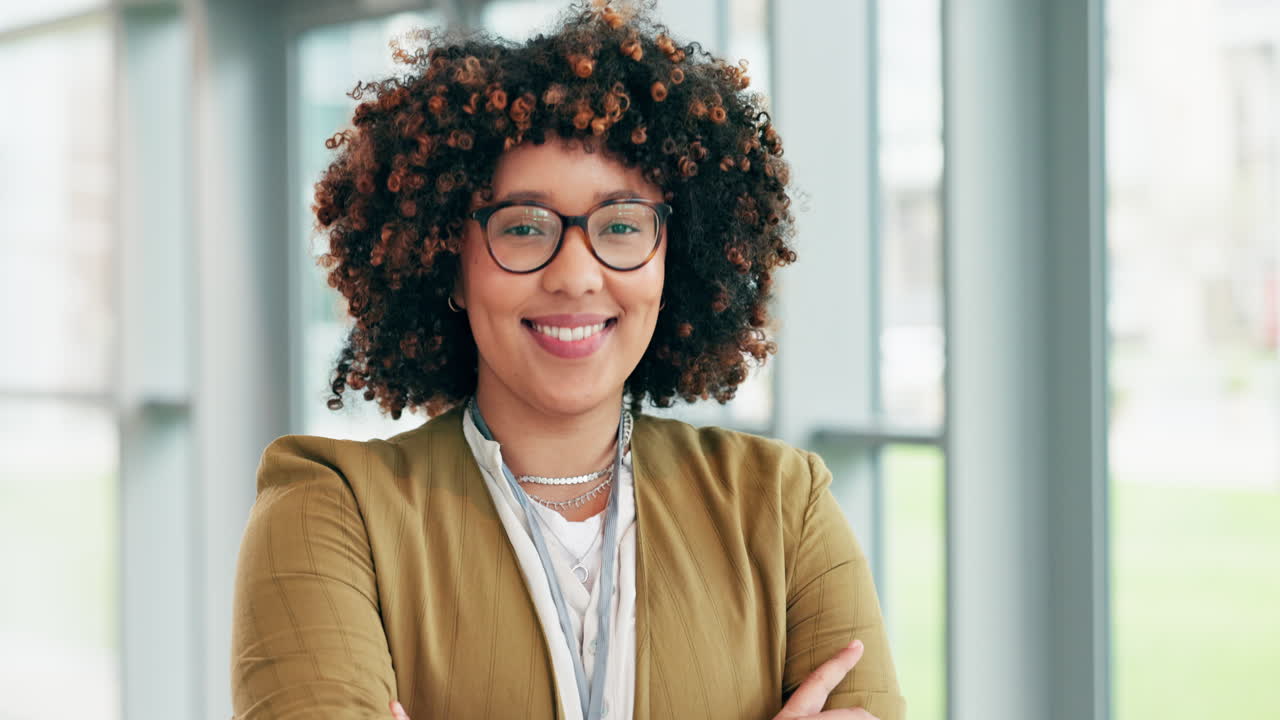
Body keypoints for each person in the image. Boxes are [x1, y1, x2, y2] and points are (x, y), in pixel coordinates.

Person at [229, 2, 905, 718]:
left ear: (673, 260)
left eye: (622, 226)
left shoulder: (780, 506)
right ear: (449, 262)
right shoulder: (332, 511)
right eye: (524, 228)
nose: (577, 276)